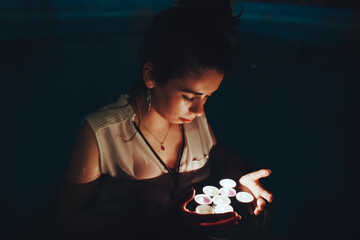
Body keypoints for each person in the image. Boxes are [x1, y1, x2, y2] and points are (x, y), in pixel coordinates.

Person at [51, 0, 273, 239]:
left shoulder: (193, 118)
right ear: (151, 75)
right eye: (189, 96)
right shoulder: (101, 134)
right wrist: (158, 227)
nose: (199, 109)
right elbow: (67, 219)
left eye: (208, 96)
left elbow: (221, 154)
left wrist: (243, 178)